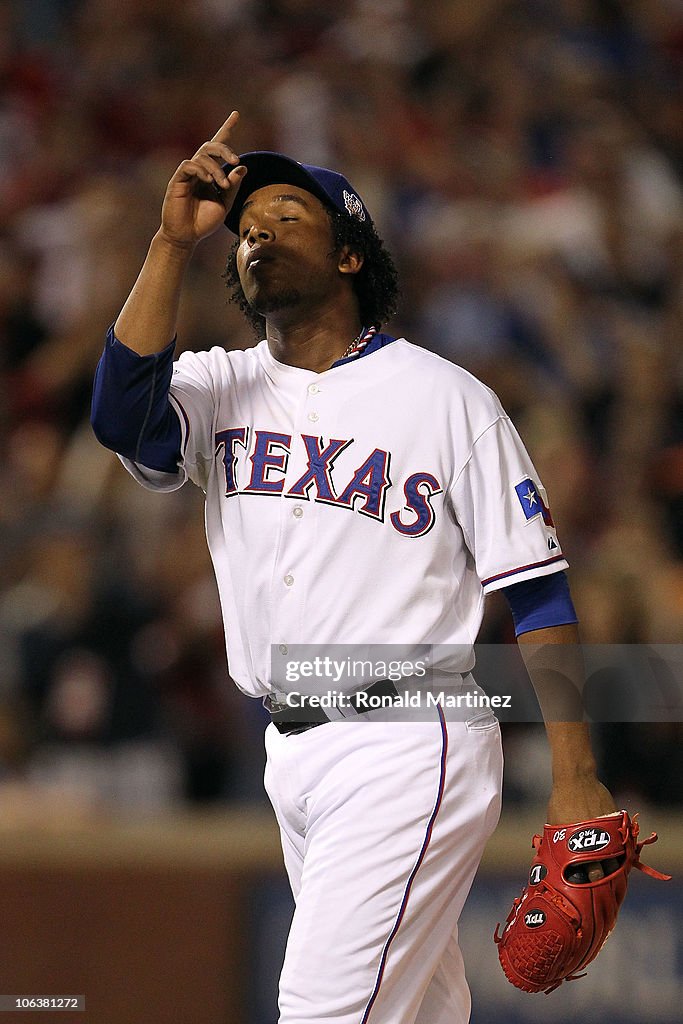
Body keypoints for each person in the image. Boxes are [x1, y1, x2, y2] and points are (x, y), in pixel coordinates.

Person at [91, 111, 616, 1024]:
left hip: (408, 737)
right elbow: (119, 416)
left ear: (347, 255)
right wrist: (170, 244)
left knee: (322, 1011)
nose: (256, 228)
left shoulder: (445, 398)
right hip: (289, 747)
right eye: (247, 223)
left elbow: (536, 591)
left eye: (285, 214)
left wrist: (575, 774)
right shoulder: (219, 384)